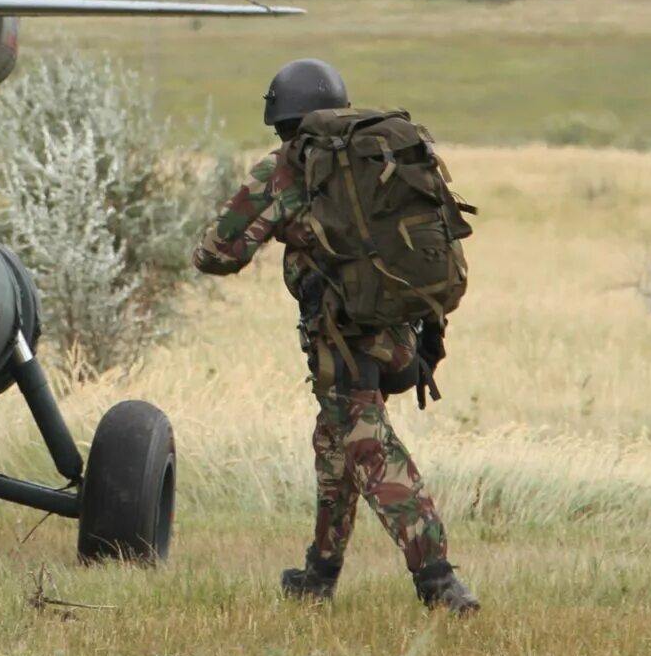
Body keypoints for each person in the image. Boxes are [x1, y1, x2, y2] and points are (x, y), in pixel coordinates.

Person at [192, 58, 480, 614]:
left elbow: (218, 255)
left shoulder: (287, 168)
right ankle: (318, 575)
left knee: (369, 449)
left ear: (281, 118)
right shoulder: (378, 157)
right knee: (335, 444)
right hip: (399, 331)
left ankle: (439, 580)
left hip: (341, 339)